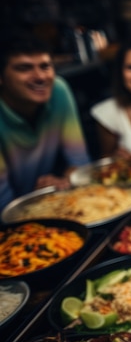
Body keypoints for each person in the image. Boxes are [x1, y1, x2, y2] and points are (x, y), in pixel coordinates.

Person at [0, 30, 90, 209]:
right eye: (24, 68)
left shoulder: (58, 90)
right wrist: (38, 198)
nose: (41, 77)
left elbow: (81, 166)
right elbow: (2, 203)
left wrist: (64, 181)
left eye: (45, 66)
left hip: (47, 205)